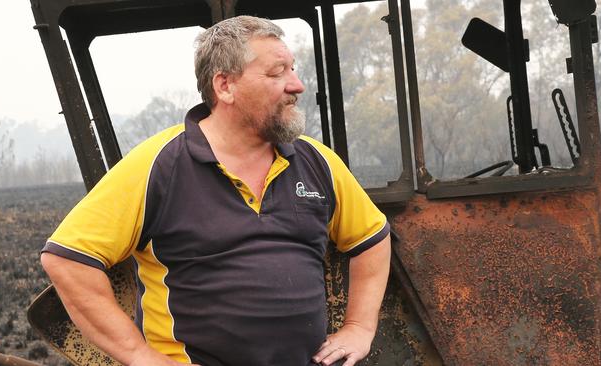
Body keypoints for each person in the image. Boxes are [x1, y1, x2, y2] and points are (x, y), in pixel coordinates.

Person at [40, 15, 391, 366]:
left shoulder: (316, 162)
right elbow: (67, 259)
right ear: (224, 86)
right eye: (276, 73)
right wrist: (140, 357)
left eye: (292, 70)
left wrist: (359, 326)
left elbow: (371, 238)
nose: (296, 85)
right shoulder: (159, 165)